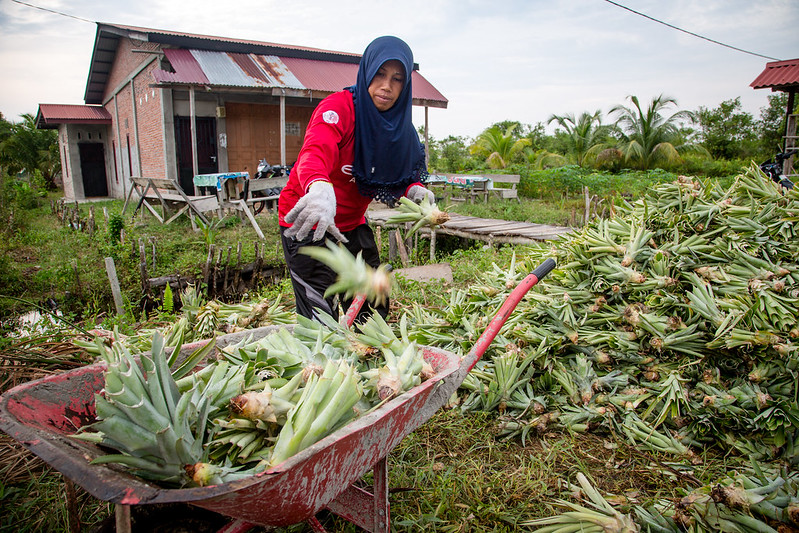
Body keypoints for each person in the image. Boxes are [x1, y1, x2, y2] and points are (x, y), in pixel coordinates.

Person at [278, 35, 435, 323]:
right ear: (366, 72)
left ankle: (371, 357)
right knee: (319, 312)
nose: (387, 86)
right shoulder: (338, 109)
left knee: (372, 301)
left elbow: (404, 176)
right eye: (380, 74)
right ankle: (323, 361)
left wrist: (416, 191)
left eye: (397, 79)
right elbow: (315, 151)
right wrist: (318, 186)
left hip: (351, 223)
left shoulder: (401, 130)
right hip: (310, 217)